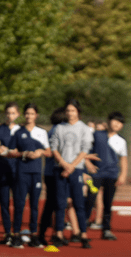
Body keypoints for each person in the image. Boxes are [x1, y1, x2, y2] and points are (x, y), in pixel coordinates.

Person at [50, 99, 93, 248]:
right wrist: (63, 164)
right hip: (60, 169)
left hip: (76, 170)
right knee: (60, 203)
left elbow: (85, 150)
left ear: (78, 112)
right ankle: (59, 234)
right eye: (68, 110)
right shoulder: (59, 128)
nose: (70, 113)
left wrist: (72, 166)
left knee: (79, 203)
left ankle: (83, 234)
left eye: (73, 110)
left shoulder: (84, 129)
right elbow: (54, 148)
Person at [8, 103, 50, 248]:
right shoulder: (18, 132)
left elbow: (49, 152)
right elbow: (11, 152)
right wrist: (24, 153)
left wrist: (41, 152)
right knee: (19, 204)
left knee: (34, 205)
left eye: (32, 114)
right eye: (27, 113)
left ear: (36, 115)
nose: (29, 116)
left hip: (36, 173)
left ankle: (33, 235)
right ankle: (17, 235)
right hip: (22, 172)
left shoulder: (42, 133)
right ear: (24, 115)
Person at [85, 111, 128, 241]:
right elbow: (85, 151)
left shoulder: (121, 141)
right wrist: (87, 163)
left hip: (112, 175)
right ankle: (81, 230)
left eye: (120, 122)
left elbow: (123, 159)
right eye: (114, 120)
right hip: (96, 174)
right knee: (89, 200)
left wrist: (123, 175)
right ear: (108, 121)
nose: (116, 124)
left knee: (108, 203)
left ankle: (106, 230)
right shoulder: (97, 135)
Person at [0, 102, 20, 245]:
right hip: (2, 171)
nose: (10, 116)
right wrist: (9, 152)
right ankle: (7, 232)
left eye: (13, 113)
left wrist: (6, 151)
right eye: (8, 113)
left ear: (18, 114)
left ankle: (17, 232)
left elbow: (21, 151)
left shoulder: (21, 130)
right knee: (4, 203)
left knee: (18, 202)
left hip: (17, 172)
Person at [38, 107, 65, 246]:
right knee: (53, 204)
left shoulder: (53, 130)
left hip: (50, 172)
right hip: (54, 171)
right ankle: (46, 233)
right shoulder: (57, 131)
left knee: (53, 203)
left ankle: (47, 232)